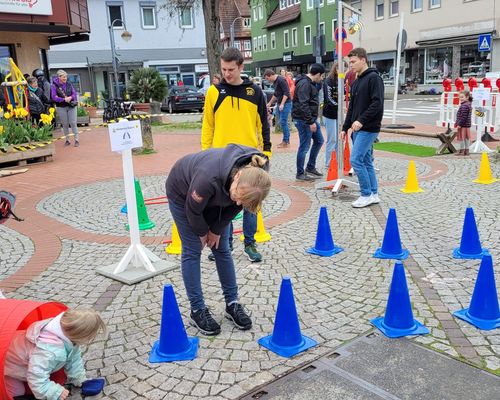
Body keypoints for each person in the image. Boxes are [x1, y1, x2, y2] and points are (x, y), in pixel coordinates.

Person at [166, 144, 271, 335]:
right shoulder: (208, 178)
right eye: (238, 196)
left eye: (243, 201)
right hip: (183, 194)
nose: (239, 203)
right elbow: (193, 209)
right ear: (237, 177)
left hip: (219, 195)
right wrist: (202, 232)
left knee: (222, 248)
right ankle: (197, 309)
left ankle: (232, 303)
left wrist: (216, 229)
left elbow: (236, 205)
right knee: (192, 249)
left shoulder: (257, 177)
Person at [202, 47, 271, 263]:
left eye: (231, 69)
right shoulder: (213, 93)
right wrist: (206, 155)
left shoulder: (256, 92)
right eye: (223, 69)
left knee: (250, 202)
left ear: (241, 67)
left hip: (250, 158)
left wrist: (266, 151)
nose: (227, 73)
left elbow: (264, 124)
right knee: (225, 201)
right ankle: (227, 243)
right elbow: (208, 126)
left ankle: (250, 244)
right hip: (221, 159)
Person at [4, 309, 106, 400]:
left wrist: (79, 378)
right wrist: (54, 392)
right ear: (81, 336)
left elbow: (73, 358)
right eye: (90, 338)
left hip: (25, 356)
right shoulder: (48, 351)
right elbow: (36, 376)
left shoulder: (67, 334)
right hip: (8, 363)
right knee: (18, 393)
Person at [341, 48, 384, 208]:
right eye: (349, 62)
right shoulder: (357, 81)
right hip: (357, 129)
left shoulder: (374, 78)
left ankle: (365, 194)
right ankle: (373, 193)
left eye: (353, 62)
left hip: (369, 128)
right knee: (366, 161)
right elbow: (352, 107)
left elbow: (377, 103)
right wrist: (345, 128)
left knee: (355, 160)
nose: (350, 65)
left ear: (363, 59)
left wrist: (361, 120)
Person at [292, 63, 325, 181]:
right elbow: (303, 104)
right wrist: (311, 122)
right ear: (317, 74)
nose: (322, 79)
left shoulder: (310, 83)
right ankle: (300, 173)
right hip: (304, 120)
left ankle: (310, 167)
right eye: (321, 76)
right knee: (304, 146)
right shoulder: (304, 84)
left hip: (309, 118)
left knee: (319, 140)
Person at [264, 69, 292, 148]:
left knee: (283, 122)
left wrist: (282, 104)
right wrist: (269, 103)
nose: (267, 80)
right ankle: (286, 140)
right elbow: (276, 94)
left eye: (267, 78)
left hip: (286, 103)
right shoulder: (275, 82)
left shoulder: (281, 80)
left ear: (271, 75)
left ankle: (286, 141)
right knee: (281, 122)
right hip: (280, 103)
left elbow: (287, 93)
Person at [51, 70, 79, 147]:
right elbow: (54, 97)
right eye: (63, 77)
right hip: (61, 107)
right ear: (59, 77)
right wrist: (63, 99)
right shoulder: (54, 86)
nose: (65, 78)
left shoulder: (69, 84)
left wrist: (70, 97)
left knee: (73, 123)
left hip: (71, 106)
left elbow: (74, 94)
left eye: (66, 77)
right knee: (65, 124)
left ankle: (76, 140)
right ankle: (67, 140)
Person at [322, 62, 339, 169]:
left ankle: (337, 160)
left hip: (338, 114)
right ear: (335, 68)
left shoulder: (342, 80)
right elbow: (329, 99)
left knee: (338, 139)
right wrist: (340, 105)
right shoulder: (328, 81)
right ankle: (328, 162)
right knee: (332, 139)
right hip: (330, 114)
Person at [455, 90, 472, 156]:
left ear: (467, 97)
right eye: (460, 97)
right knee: (466, 138)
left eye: (462, 97)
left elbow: (463, 117)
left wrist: (459, 124)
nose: (460, 99)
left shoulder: (464, 106)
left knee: (462, 137)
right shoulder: (468, 104)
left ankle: (462, 151)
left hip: (463, 125)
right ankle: (466, 151)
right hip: (466, 124)